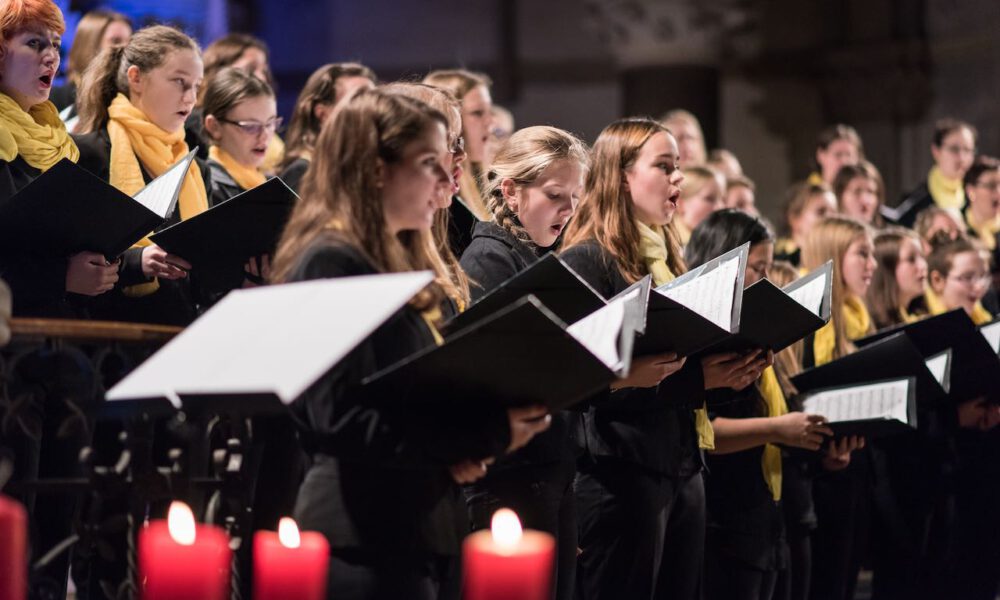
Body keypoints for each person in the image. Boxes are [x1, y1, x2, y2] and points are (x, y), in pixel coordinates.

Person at [269, 88, 550, 600]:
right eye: (428, 164)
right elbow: (342, 419)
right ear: (376, 169)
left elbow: (405, 400)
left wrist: (454, 449)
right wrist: (478, 434)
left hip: (413, 522)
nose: (447, 181)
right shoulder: (332, 259)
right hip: (360, 532)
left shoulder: (397, 263)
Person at [560, 117, 766, 600]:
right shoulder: (589, 259)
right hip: (621, 473)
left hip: (680, 467)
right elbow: (577, 383)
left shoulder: (670, 258)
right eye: (665, 166)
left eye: (680, 167)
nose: (678, 179)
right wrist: (698, 379)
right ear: (621, 176)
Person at [686, 209, 862, 600]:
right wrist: (777, 430)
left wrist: (826, 454)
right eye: (757, 267)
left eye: (769, 266)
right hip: (726, 523)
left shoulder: (762, 336)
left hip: (773, 521)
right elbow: (702, 431)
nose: (766, 280)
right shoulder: (702, 341)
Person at [459, 125, 589, 600]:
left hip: (548, 469)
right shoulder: (488, 260)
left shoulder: (537, 256)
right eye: (556, 195)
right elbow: (497, 371)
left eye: (576, 196)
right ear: (511, 192)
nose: (570, 210)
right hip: (508, 479)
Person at [74, 24, 211, 326]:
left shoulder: (195, 166)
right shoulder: (90, 153)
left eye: (196, 86)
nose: (191, 98)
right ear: (136, 78)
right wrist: (137, 263)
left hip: (182, 331)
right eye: (179, 82)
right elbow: (68, 261)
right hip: (111, 341)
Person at [0, 0, 118, 317]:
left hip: (61, 338)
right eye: (34, 43)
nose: (52, 56)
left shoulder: (56, 139)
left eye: (54, 44)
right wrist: (60, 276)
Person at [799, 217, 877, 600]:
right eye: (862, 253)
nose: (872, 265)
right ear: (832, 255)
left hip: (854, 466)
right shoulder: (813, 320)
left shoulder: (857, 313)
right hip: (822, 473)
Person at [279, 62, 376, 192]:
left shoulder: (368, 167)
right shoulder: (302, 173)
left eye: (374, 99)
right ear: (322, 114)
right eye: (357, 101)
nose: (371, 108)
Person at [201, 67, 278, 204]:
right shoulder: (206, 189)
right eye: (250, 126)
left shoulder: (270, 183)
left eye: (270, 123)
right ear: (214, 126)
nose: (264, 136)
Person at [49, 9, 130, 125]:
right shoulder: (52, 100)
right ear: (89, 45)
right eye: (116, 41)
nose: (126, 48)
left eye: (129, 41)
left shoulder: (128, 101)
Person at [893, 118, 978, 227]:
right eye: (954, 149)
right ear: (936, 151)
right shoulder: (917, 202)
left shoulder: (976, 197)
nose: (961, 158)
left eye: (967, 150)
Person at [866, 228, 928, 329]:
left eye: (922, 256)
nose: (923, 265)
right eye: (911, 259)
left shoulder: (915, 316)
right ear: (886, 270)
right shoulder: (871, 327)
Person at [775, 182, 838, 267]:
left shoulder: (839, 261)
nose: (831, 218)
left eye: (835, 213)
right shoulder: (776, 263)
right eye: (821, 211)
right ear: (794, 219)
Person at [673, 165, 725, 246]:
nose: (720, 207)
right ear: (680, 204)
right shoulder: (668, 248)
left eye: (723, 200)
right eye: (709, 199)